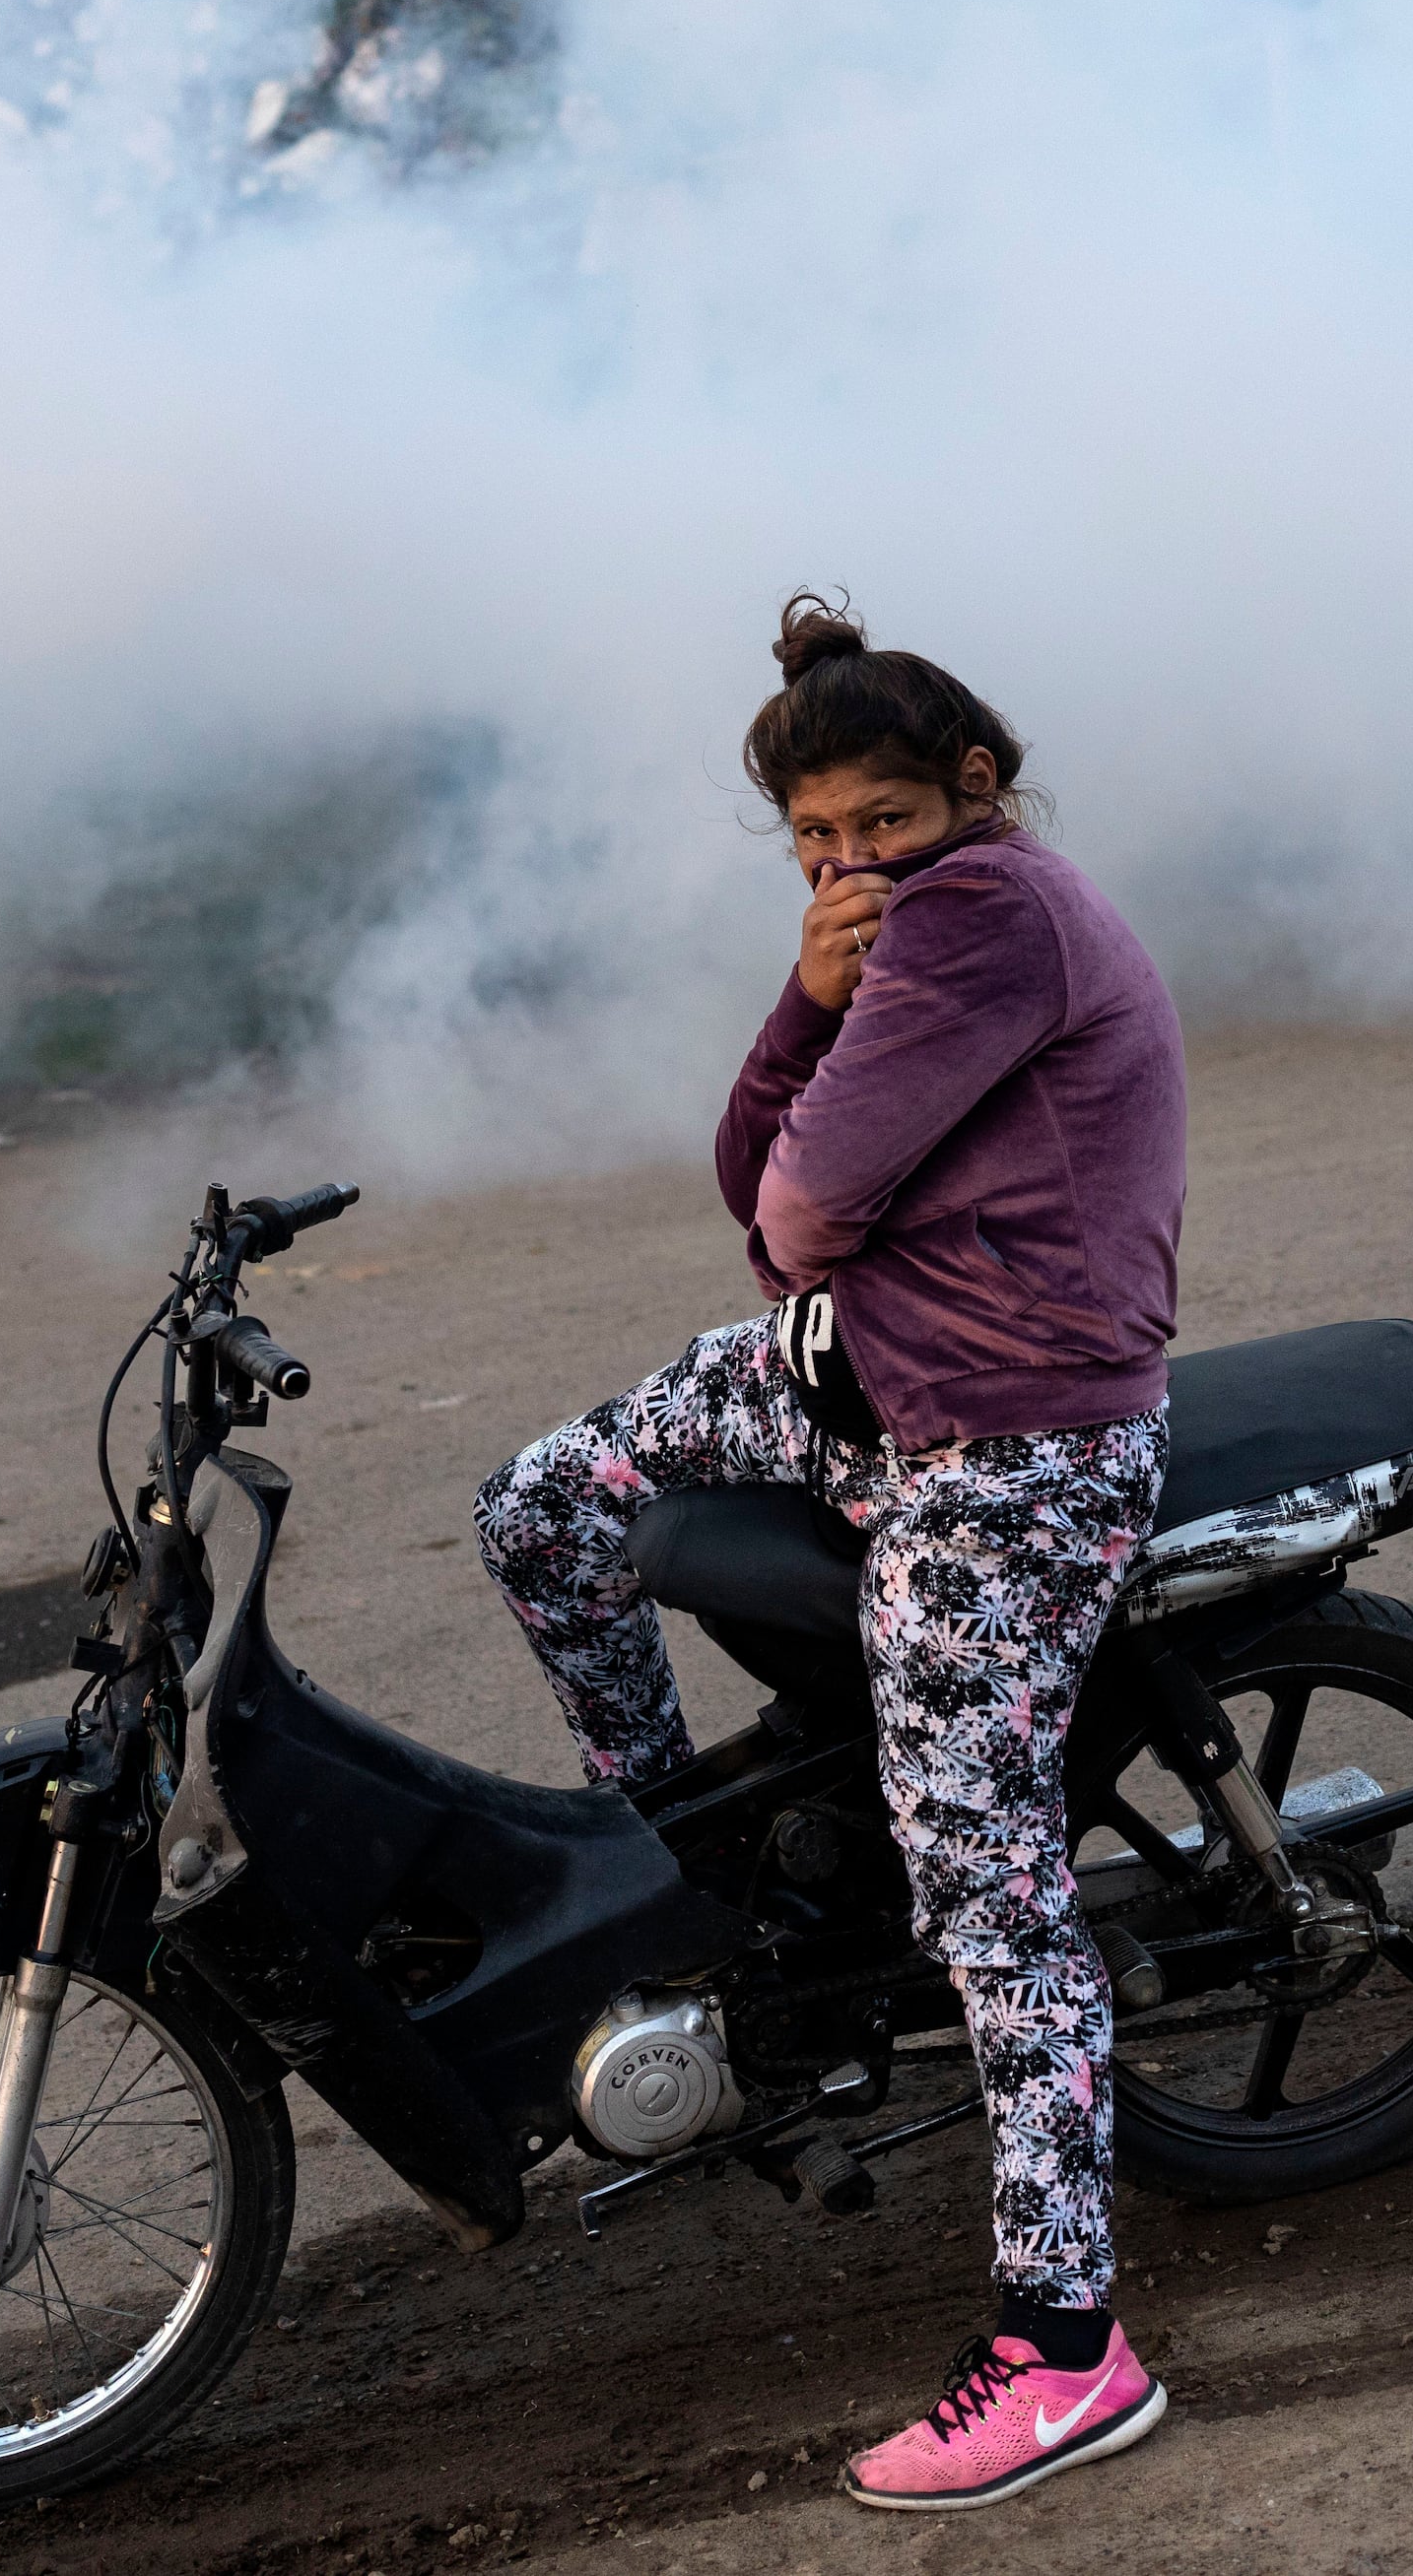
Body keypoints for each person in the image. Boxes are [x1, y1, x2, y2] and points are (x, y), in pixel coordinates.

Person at [472, 594, 1187, 2513]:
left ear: (970, 786)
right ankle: (673, 1853)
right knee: (548, 1501)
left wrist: (805, 1211)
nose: (849, 863)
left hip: (1011, 1442)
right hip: (873, 1372)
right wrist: (801, 992)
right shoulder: (897, 932)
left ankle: (1067, 2349)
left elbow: (792, 1200)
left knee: (993, 1898)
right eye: (811, 843)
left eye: (874, 820)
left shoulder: (986, 913)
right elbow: (755, 1171)